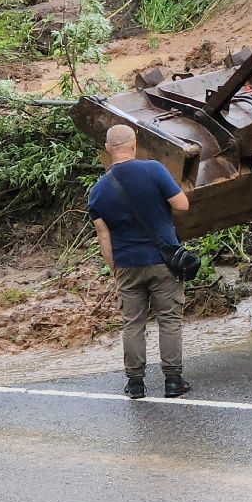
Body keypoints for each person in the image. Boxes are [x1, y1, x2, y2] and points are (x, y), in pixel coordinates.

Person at [87, 124, 193, 398]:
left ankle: (135, 384)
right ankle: (173, 381)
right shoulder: (154, 170)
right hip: (162, 261)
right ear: (135, 144)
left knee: (132, 324)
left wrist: (115, 269)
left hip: (126, 264)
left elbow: (104, 238)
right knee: (169, 320)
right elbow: (182, 205)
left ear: (108, 149)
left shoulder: (97, 191)